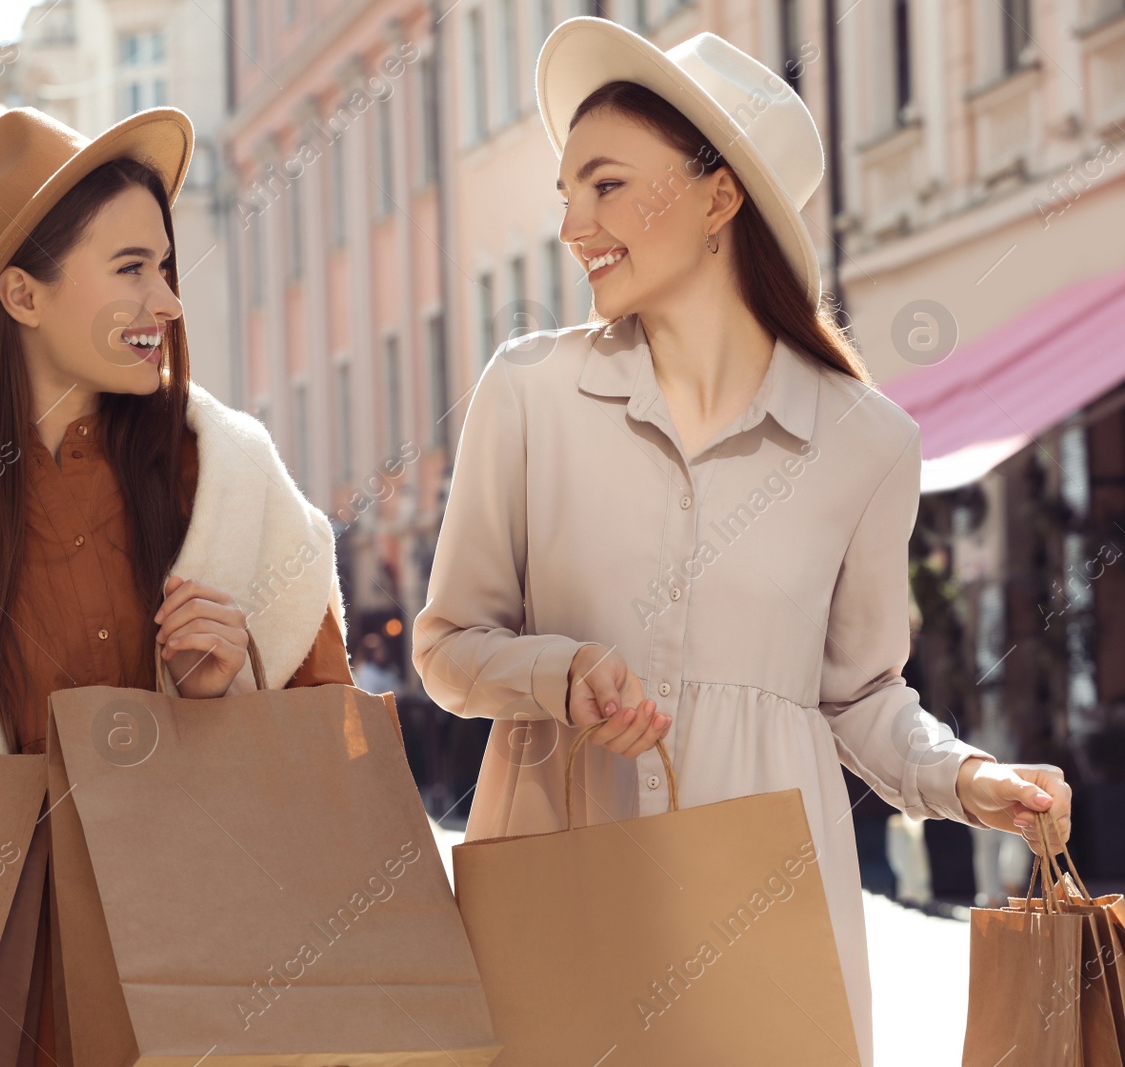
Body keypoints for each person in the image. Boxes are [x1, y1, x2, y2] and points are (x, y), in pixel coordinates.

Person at [410, 19, 1073, 1067]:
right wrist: (562, 673)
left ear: (719, 197)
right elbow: (446, 644)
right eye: (568, 193)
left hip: (772, 905)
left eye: (607, 186)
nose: (575, 223)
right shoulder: (528, 392)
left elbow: (858, 695)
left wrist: (967, 777)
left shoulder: (864, 441)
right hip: (561, 883)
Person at [0, 106, 353, 1065]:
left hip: (209, 984)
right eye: (130, 270)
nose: (168, 302)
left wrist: (221, 688)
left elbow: (329, 752)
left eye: (165, 267)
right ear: (22, 296)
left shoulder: (227, 475)